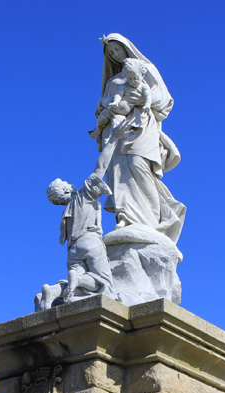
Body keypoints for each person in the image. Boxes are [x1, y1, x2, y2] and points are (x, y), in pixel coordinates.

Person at [93, 33, 186, 241]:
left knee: (138, 164)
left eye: (117, 49)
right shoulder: (113, 80)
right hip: (116, 131)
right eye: (111, 53)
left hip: (142, 125)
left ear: (127, 47)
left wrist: (143, 99)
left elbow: (165, 99)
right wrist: (106, 104)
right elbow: (101, 106)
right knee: (119, 172)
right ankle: (125, 217)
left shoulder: (147, 70)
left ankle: (152, 220)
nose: (116, 55)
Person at [45, 174, 114, 304]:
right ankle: (78, 279)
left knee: (78, 289)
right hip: (90, 242)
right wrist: (107, 153)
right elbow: (99, 170)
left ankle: (53, 291)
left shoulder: (66, 213)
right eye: (67, 183)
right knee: (105, 284)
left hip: (73, 250)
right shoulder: (82, 198)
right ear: (65, 190)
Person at [90, 58, 152, 140]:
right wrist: (116, 101)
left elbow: (148, 96)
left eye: (135, 78)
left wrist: (147, 105)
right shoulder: (124, 85)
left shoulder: (144, 87)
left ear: (142, 75)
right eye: (129, 79)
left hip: (126, 109)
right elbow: (118, 94)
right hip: (114, 107)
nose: (133, 81)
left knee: (114, 123)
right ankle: (98, 129)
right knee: (102, 117)